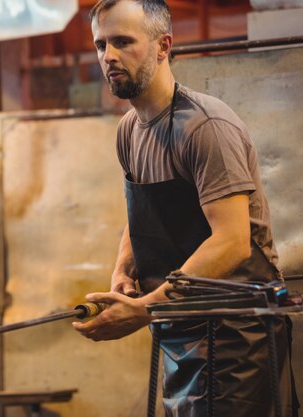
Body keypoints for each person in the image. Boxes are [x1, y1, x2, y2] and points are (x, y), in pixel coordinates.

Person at [71, 1, 297, 416]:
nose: (109, 56)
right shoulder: (129, 130)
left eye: (123, 42)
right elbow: (140, 211)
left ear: (163, 47)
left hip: (236, 337)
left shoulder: (205, 127)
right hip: (178, 329)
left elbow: (232, 244)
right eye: (101, 44)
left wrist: (145, 309)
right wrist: (124, 270)